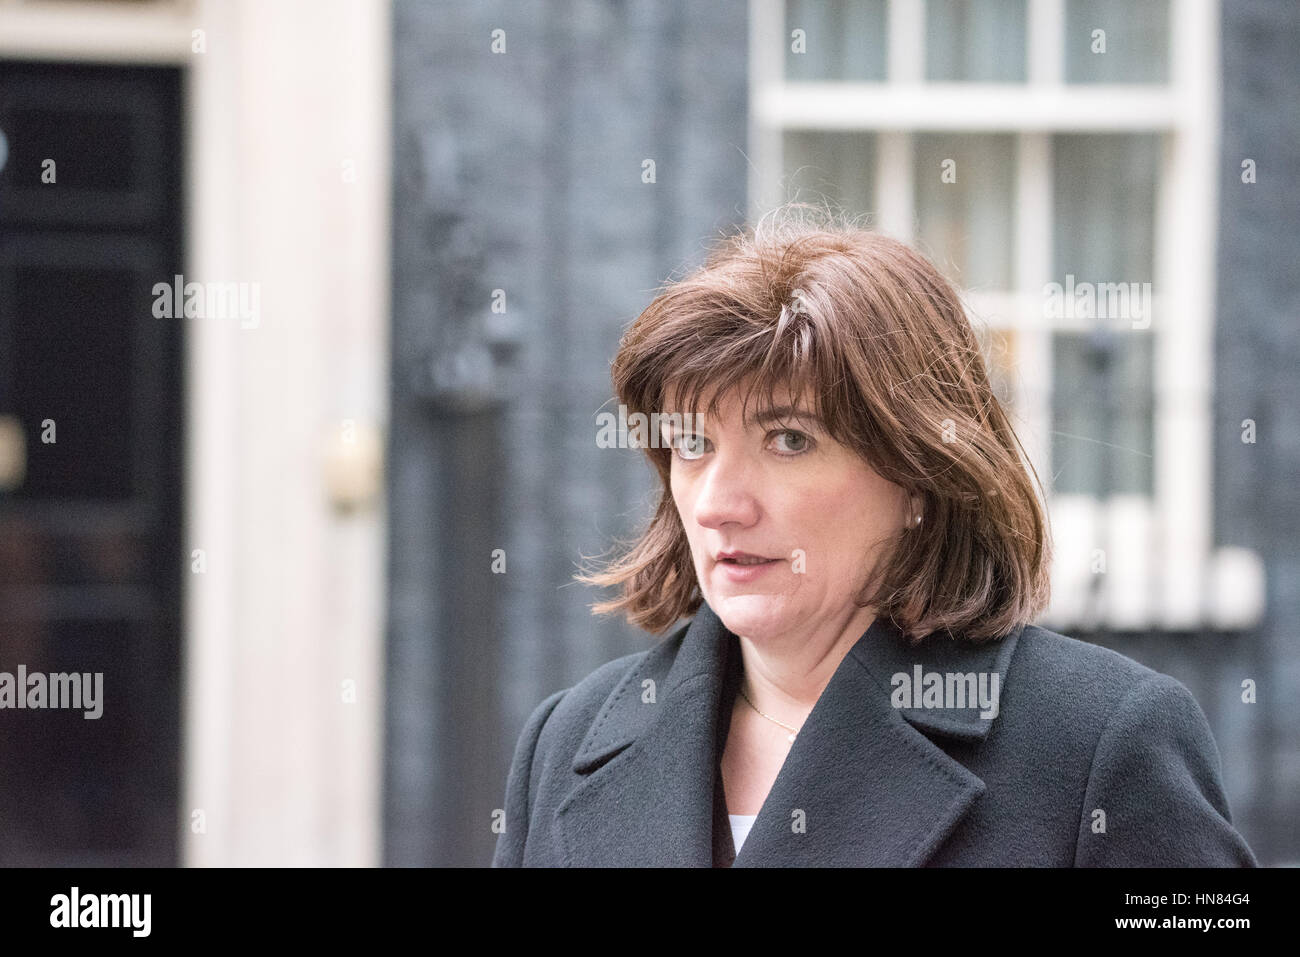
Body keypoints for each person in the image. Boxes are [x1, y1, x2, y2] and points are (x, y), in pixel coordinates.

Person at [491, 204, 1258, 867]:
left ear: (919, 478)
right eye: (694, 444)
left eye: (789, 440)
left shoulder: (1098, 744)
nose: (720, 502)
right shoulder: (567, 742)